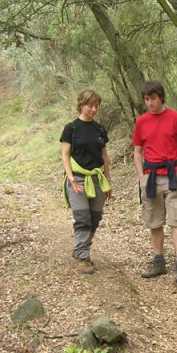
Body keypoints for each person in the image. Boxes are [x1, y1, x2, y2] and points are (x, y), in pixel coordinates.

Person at [132, 80, 177, 285]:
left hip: (173, 175)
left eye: (153, 99)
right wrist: (141, 177)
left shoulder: (176, 118)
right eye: (146, 99)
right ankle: (159, 260)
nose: (150, 103)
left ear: (161, 97)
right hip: (150, 177)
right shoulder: (141, 122)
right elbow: (137, 152)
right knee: (153, 220)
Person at [60, 90, 112, 275]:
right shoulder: (71, 129)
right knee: (83, 217)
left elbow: (104, 156)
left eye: (97, 105)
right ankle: (83, 255)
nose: (94, 109)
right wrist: (70, 176)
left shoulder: (100, 130)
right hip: (78, 178)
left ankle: (81, 249)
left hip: (97, 179)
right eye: (91, 105)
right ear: (81, 104)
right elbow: (65, 154)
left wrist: (108, 180)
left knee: (95, 218)